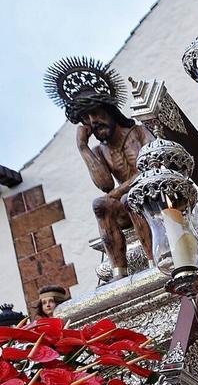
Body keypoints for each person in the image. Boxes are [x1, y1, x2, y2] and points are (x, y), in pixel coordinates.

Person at [44, 56, 155, 279]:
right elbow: (104, 185)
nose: (93, 120)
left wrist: (119, 192)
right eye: (86, 117)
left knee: (129, 198)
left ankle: (154, 261)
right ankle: (119, 272)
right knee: (100, 205)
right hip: (126, 205)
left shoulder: (140, 132)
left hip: (153, 196)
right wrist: (83, 147)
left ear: (110, 109)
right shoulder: (99, 151)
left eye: (96, 112)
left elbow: (152, 166)